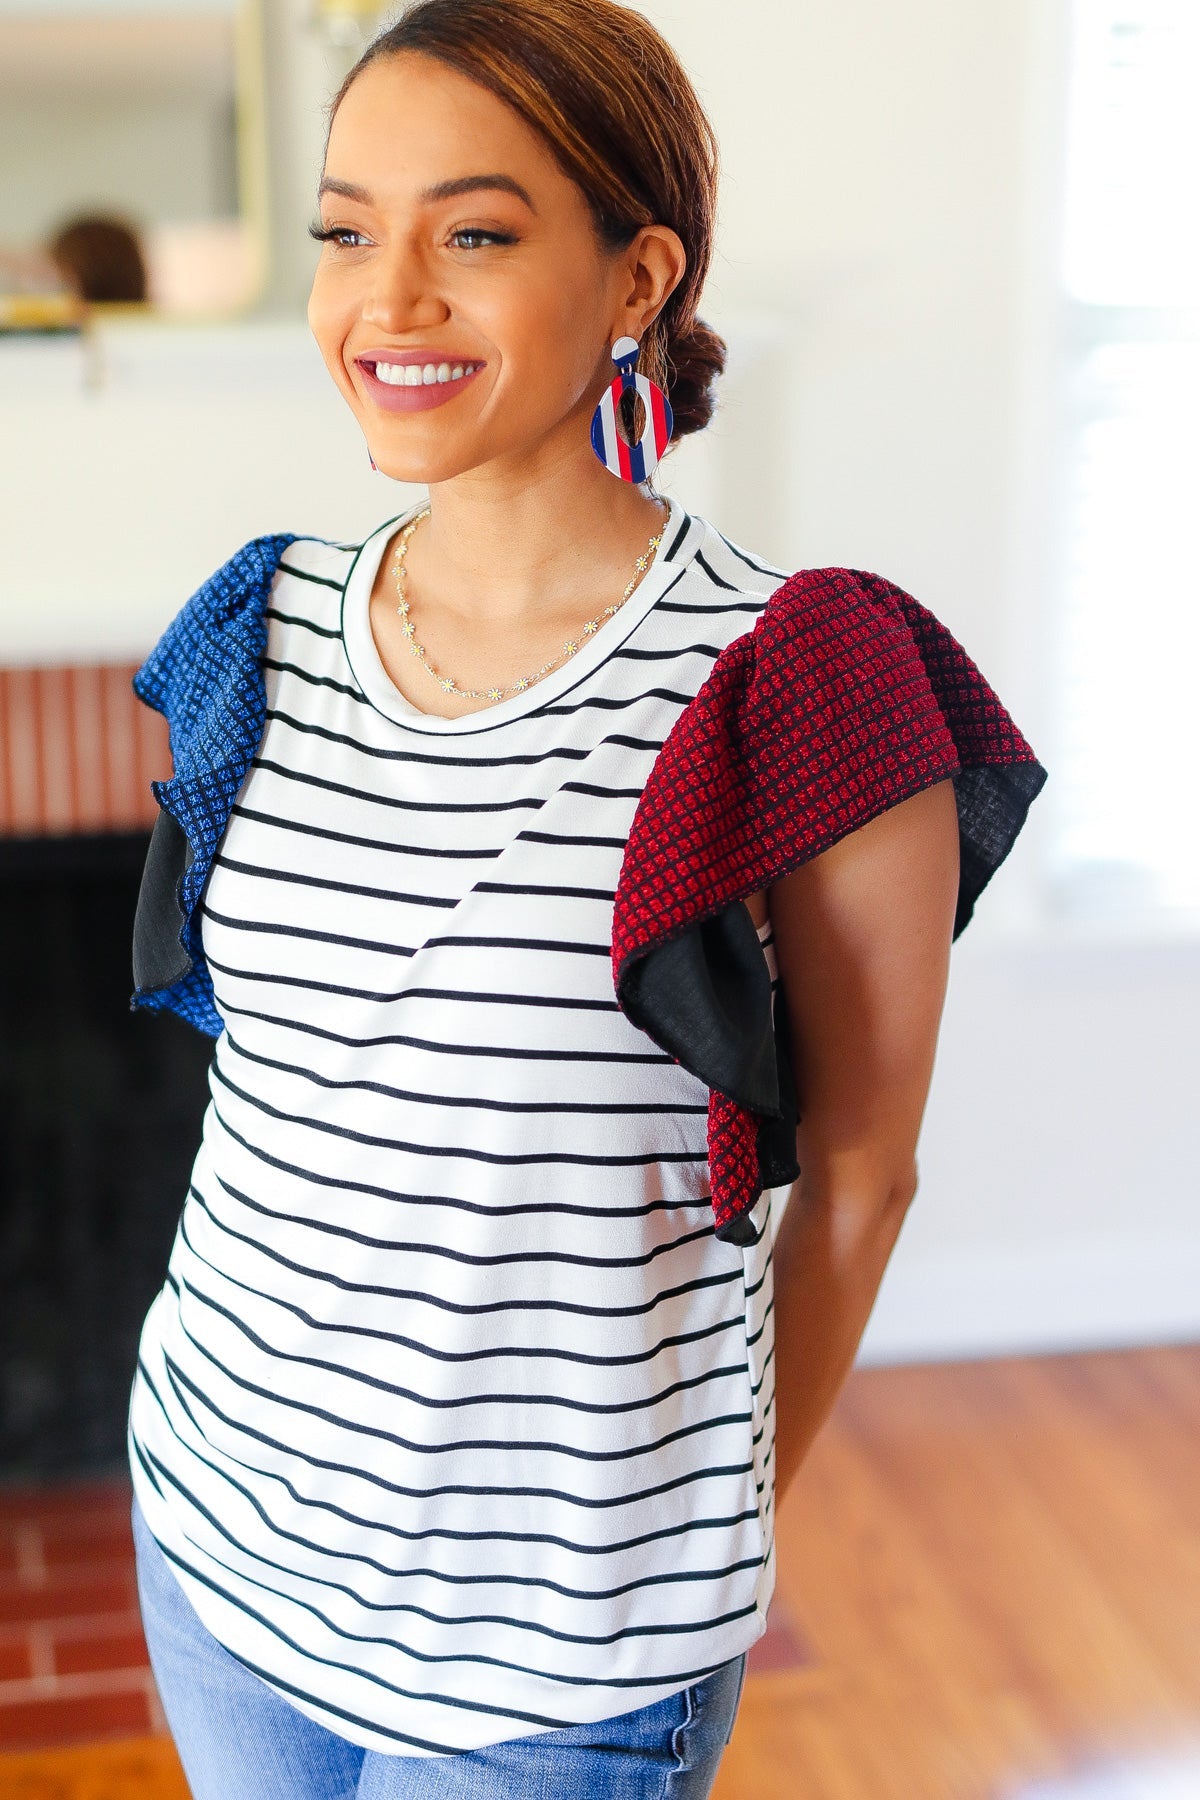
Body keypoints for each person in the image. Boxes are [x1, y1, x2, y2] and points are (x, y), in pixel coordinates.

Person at [123, 3, 1046, 1795]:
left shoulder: (799, 680)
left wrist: (672, 1554)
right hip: (219, 1536)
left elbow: (864, 1177)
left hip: (563, 1661)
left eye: (472, 233)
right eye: (342, 231)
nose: (387, 301)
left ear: (638, 278)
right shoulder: (260, 628)